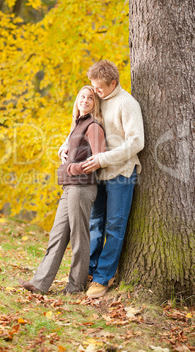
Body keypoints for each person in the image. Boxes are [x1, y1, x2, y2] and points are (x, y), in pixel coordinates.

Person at [59, 60, 144, 298]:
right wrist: (64, 147)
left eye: (99, 88)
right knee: (95, 223)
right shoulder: (99, 99)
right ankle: (88, 270)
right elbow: (82, 123)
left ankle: (102, 277)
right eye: (93, 87)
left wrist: (104, 159)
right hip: (96, 174)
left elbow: (137, 142)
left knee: (114, 227)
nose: (94, 92)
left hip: (120, 173)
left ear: (113, 83)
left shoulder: (127, 104)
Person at [19, 86, 107, 294]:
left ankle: (76, 286)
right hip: (70, 187)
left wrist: (70, 168)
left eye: (90, 98)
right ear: (77, 100)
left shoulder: (94, 126)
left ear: (95, 104)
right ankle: (40, 283)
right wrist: (65, 149)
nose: (85, 100)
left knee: (79, 237)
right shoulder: (78, 124)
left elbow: (100, 158)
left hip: (82, 187)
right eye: (82, 97)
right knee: (57, 235)